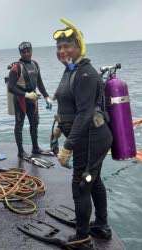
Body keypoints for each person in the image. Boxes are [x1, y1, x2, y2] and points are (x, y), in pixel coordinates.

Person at [53, 26, 113, 247]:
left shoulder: (85, 73)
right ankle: (101, 226)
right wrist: (58, 129)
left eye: (67, 46)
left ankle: (82, 237)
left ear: (79, 47)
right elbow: (68, 103)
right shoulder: (71, 69)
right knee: (93, 181)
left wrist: (67, 146)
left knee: (81, 184)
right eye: (58, 47)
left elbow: (85, 113)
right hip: (86, 137)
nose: (62, 50)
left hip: (91, 138)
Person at [8, 42, 52, 158]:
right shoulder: (16, 67)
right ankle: (21, 151)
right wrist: (26, 95)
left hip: (33, 100)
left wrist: (47, 96)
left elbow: (39, 83)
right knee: (19, 124)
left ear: (31, 50)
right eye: (24, 52)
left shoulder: (35, 64)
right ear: (20, 53)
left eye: (28, 51)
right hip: (20, 100)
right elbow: (10, 87)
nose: (26, 54)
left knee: (34, 123)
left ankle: (36, 148)